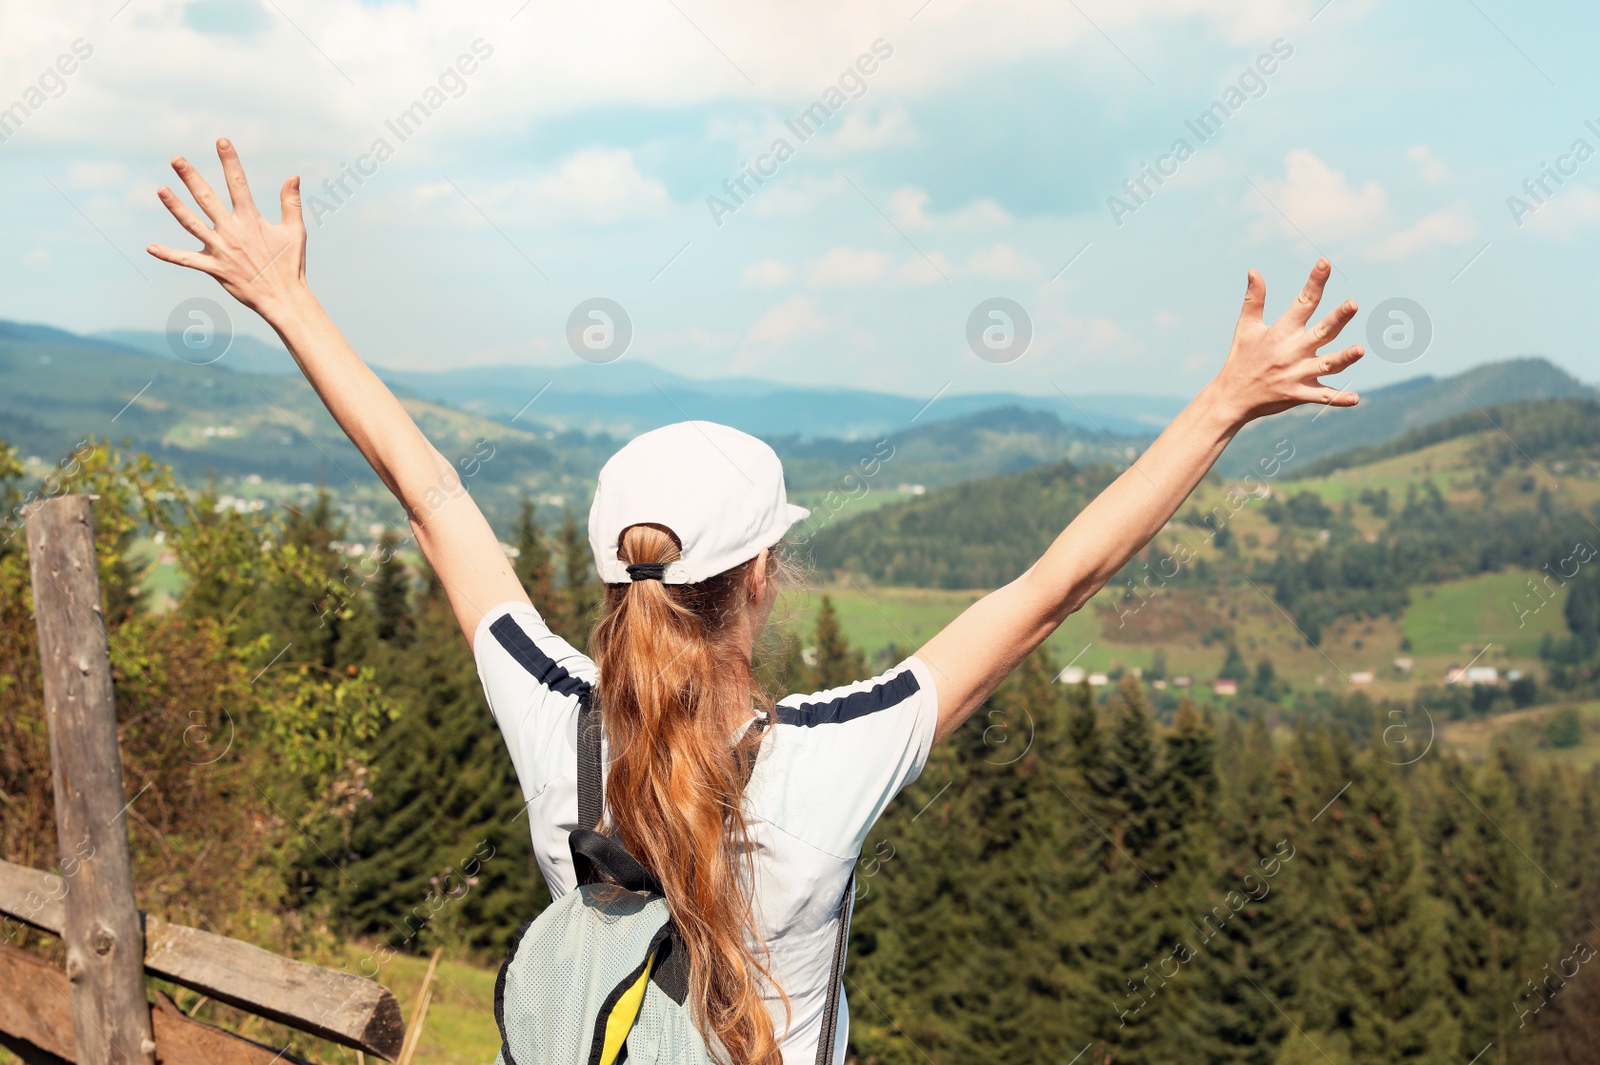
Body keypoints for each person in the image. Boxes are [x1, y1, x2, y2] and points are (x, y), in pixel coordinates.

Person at [147, 140, 1363, 1064]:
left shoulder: (556, 718)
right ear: (763, 576)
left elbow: (432, 497)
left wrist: (287, 299)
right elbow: (1050, 587)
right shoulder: (831, 756)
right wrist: (1221, 405)